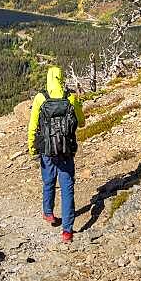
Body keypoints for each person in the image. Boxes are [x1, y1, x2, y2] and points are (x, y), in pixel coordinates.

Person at [27, 65, 85, 243]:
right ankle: (67, 231)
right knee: (67, 187)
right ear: (61, 78)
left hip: (47, 149)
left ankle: (48, 213)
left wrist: (32, 148)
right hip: (66, 150)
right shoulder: (71, 98)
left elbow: (32, 126)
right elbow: (81, 123)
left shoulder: (40, 98)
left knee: (48, 181)